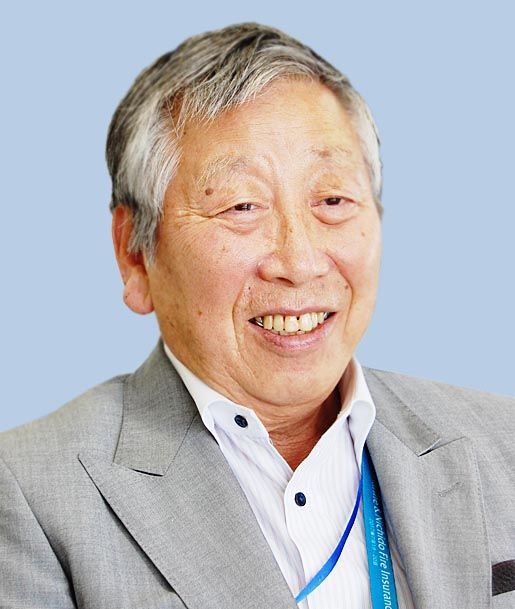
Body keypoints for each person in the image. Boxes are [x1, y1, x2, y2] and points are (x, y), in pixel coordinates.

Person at [0, 22, 513, 609]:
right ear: (135, 255)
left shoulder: (505, 443)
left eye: (333, 200)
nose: (300, 262)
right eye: (242, 206)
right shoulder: (31, 495)